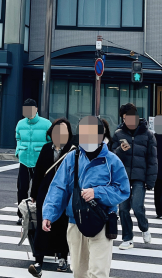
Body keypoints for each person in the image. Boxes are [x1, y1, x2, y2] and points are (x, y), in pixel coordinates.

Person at [42, 117, 131, 278]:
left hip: (102, 221)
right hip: (76, 221)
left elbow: (123, 190)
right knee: (79, 271)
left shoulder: (112, 160)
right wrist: (49, 214)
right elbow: (59, 187)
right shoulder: (72, 158)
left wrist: (97, 193)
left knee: (98, 272)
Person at [29, 119, 75, 276]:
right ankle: (38, 260)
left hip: (65, 194)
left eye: (64, 131)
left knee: (62, 226)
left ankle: (62, 258)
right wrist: (33, 194)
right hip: (45, 193)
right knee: (43, 226)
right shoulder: (46, 149)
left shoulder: (73, 150)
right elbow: (38, 172)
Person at [111, 103, 158, 250]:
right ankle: (127, 238)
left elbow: (152, 159)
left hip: (139, 176)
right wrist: (120, 150)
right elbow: (111, 155)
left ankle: (144, 228)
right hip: (122, 177)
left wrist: (150, 181)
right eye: (125, 118)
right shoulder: (118, 134)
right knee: (123, 208)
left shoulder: (148, 134)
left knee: (137, 206)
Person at [16, 98, 53, 224]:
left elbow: (50, 142)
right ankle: (21, 215)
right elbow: (18, 138)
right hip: (24, 160)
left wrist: (47, 157)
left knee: (40, 189)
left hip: (40, 162)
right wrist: (18, 151)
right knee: (22, 188)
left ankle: (40, 213)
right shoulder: (20, 124)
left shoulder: (46, 123)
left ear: (36, 109)